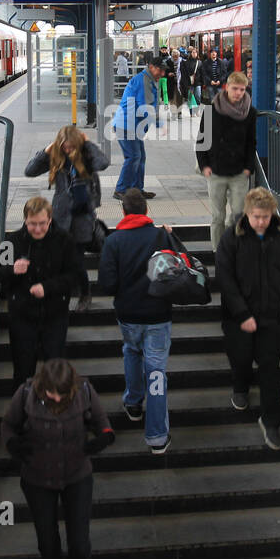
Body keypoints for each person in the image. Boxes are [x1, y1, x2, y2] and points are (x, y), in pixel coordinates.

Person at [1, 357, 113, 559]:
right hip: (37, 479)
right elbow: (8, 425)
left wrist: (104, 435)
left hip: (77, 475)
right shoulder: (26, 392)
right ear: (43, 386)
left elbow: (101, 420)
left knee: (79, 544)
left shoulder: (84, 390)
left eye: (63, 394)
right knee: (47, 544)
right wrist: (13, 444)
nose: (58, 399)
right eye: (53, 393)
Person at [215, 187, 280, 451]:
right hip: (238, 318)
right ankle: (240, 386)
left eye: (265, 216)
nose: (261, 221)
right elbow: (225, 278)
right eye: (256, 217)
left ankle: (271, 422)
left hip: (271, 318)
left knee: (270, 371)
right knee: (240, 358)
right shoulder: (232, 237)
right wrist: (242, 314)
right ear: (247, 213)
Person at [95, 189, 173, 454]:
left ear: (123, 211)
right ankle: (157, 437)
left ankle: (133, 402)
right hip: (158, 315)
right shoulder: (161, 236)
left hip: (128, 315)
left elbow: (106, 284)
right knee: (156, 372)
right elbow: (174, 273)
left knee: (131, 351)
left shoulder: (114, 241)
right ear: (147, 211)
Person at [0, 197, 87, 387]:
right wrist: (12, 269)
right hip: (22, 318)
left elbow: (75, 276)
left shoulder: (64, 241)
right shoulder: (12, 241)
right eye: (32, 224)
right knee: (22, 371)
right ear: (25, 220)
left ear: (50, 220)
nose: (37, 229)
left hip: (54, 316)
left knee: (55, 371)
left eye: (42, 224)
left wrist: (48, 288)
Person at [24, 125, 109, 306]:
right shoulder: (57, 157)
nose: (68, 150)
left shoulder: (86, 156)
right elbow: (29, 171)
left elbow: (103, 163)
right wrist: (46, 151)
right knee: (61, 259)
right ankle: (66, 292)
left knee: (77, 260)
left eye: (71, 146)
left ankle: (85, 293)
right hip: (61, 217)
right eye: (65, 146)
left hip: (82, 218)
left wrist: (87, 143)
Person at [197, 70, 257, 246]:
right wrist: (204, 166)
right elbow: (201, 140)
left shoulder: (249, 112)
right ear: (227, 87)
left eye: (242, 89)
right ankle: (218, 251)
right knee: (218, 216)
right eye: (235, 88)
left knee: (238, 214)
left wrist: (248, 167)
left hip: (239, 171)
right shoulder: (211, 111)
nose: (239, 93)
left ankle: (234, 248)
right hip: (215, 170)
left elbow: (251, 142)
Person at [111, 54, 164, 200]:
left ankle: (136, 189)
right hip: (126, 125)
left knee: (140, 157)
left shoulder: (149, 80)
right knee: (133, 157)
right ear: (151, 67)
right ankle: (121, 189)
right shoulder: (143, 81)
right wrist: (160, 124)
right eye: (160, 70)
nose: (162, 73)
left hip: (134, 126)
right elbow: (145, 106)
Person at [179, 45, 201, 112]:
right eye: (193, 52)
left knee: (198, 96)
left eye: (195, 52)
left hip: (198, 82)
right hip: (189, 83)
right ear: (191, 53)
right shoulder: (187, 62)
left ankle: (197, 110)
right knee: (190, 97)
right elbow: (185, 73)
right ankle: (191, 112)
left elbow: (202, 73)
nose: (194, 54)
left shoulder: (199, 62)